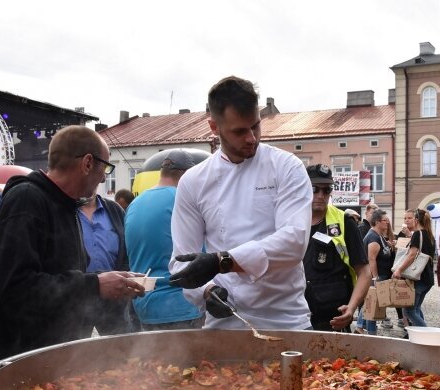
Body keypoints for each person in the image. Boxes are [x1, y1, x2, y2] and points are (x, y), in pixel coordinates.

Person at [0, 125, 145, 361]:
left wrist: (112, 282)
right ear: (88, 163)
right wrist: (95, 285)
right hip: (26, 359)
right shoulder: (26, 200)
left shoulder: (66, 205)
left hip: (61, 356)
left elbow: (64, 274)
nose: (104, 177)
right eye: (106, 167)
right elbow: (15, 288)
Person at [168, 76, 313, 330]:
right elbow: (181, 261)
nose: (252, 139)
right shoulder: (193, 181)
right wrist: (206, 290)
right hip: (224, 324)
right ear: (214, 127)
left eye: (255, 126)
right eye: (239, 131)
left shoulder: (286, 167)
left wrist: (222, 261)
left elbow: (294, 241)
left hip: (287, 320)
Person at [125, 149, 209, 330]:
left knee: (154, 359)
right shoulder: (182, 200)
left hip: (144, 305)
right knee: (188, 359)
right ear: (187, 175)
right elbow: (202, 257)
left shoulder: (134, 204)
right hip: (181, 306)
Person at [303, 164, 369, 331]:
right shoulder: (288, 219)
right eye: (314, 189)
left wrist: (352, 307)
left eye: (327, 190)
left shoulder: (344, 222)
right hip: (295, 316)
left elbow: (364, 272)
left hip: (332, 318)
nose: (320, 195)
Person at [78, 188, 134, 335]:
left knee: (122, 351)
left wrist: (124, 276)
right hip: (79, 297)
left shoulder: (114, 210)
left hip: (114, 298)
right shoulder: (66, 211)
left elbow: (127, 249)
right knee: (76, 352)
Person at [392, 208, 435, 329]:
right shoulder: (429, 234)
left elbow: (412, 254)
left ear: (416, 220)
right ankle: (417, 334)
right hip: (428, 277)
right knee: (415, 309)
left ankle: (425, 334)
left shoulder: (418, 234)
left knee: (409, 311)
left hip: (419, 278)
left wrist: (399, 270)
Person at [362, 209, 395, 335]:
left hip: (382, 275)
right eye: (384, 220)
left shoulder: (379, 236)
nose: (387, 223)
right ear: (376, 222)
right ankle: (371, 331)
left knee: (371, 303)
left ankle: (361, 326)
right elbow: (371, 259)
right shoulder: (373, 237)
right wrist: (375, 278)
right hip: (377, 276)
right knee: (373, 304)